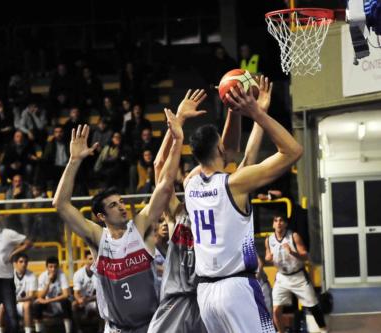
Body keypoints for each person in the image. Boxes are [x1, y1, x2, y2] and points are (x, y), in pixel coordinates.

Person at [182, 78, 303, 332]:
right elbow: (292, 151)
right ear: (218, 148)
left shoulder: (189, 185)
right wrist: (257, 113)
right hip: (236, 289)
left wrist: (233, 110)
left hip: (205, 293)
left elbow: (236, 153)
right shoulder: (234, 184)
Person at [53, 105, 183, 333]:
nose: (122, 207)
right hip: (117, 329)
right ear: (101, 216)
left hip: (153, 326)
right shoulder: (97, 238)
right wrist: (74, 161)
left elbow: (164, 186)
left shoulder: (139, 226)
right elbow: (61, 205)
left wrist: (177, 137)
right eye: (114, 205)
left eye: (121, 202)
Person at [265, 215, 328, 333]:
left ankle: (323, 328)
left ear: (285, 224)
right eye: (276, 221)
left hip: (298, 276)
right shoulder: (269, 239)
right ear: (273, 224)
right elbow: (268, 255)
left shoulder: (294, 236)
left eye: (281, 220)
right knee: (276, 310)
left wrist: (293, 253)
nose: (278, 223)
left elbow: (305, 256)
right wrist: (268, 257)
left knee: (312, 305)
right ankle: (281, 331)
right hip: (282, 277)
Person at [0, 253, 37, 333]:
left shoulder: (32, 275)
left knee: (27, 305)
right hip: (11, 303)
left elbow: (31, 296)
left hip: (23, 304)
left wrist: (17, 300)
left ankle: (28, 331)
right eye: (21, 262)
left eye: (26, 262)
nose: (24, 264)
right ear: (15, 263)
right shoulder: (8, 275)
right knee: (1, 305)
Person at [33, 256, 71, 333]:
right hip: (48, 306)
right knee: (37, 305)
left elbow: (66, 294)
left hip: (58, 303)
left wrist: (48, 300)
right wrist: (48, 282)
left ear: (58, 267)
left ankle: (68, 330)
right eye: (50, 267)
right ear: (46, 267)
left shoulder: (62, 275)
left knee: (66, 302)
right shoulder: (42, 277)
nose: (53, 269)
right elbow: (40, 296)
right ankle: (39, 330)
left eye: (55, 267)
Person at [72, 251, 99, 333]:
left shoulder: (99, 273)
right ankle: (78, 330)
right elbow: (76, 293)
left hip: (94, 300)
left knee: (102, 303)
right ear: (85, 260)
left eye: (94, 259)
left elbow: (100, 295)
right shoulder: (78, 274)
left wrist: (89, 299)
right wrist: (79, 300)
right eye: (90, 259)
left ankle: (101, 329)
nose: (92, 261)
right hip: (83, 300)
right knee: (74, 305)